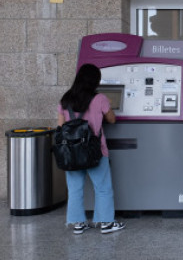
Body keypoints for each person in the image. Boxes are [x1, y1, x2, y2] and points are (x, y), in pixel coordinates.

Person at [58, 63, 125, 235]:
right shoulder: (100, 98)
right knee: (102, 187)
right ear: (94, 81)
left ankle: (78, 223)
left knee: (74, 188)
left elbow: (60, 126)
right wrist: (108, 105)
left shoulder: (65, 100)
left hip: (71, 152)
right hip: (95, 150)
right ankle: (106, 223)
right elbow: (112, 120)